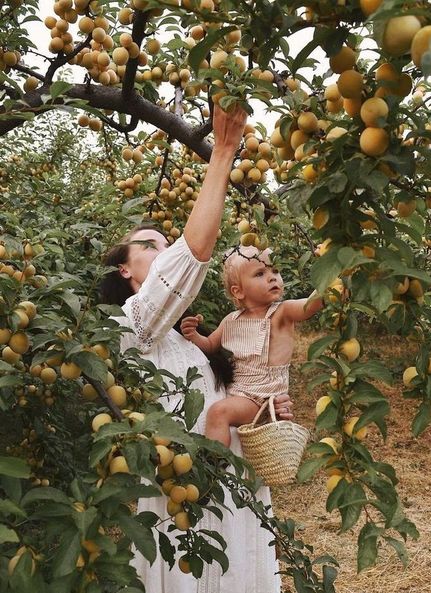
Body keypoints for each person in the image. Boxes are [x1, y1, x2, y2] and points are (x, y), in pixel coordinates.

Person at [101, 106, 293, 593]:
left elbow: (234, 399)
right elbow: (189, 258)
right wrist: (223, 152)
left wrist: (268, 408)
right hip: (183, 498)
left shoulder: (185, 341)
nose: (162, 248)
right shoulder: (128, 326)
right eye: (149, 244)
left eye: (165, 242)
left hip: (235, 487)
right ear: (124, 270)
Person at [180, 245, 325, 446]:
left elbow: (311, 305)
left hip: (262, 397)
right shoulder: (231, 320)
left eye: (275, 270)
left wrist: (330, 271)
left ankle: (214, 465)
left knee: (218, 412)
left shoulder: (282, 312)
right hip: (239, 392)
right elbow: (210, 345)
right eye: (260, 273)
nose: (272, 277)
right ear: (238, 291)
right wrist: (193, 335)